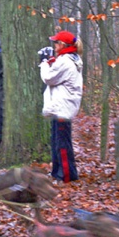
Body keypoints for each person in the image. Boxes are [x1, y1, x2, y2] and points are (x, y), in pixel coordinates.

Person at [39, 30, 83, 183]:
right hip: (61, 107)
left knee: (62, 144)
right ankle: (58, 173)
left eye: (56, 42)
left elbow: (49, 78)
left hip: (63, 108)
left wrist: (44, 63)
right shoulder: (68, 59)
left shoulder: (66, 61)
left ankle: (65, 176)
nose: (54, 45)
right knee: (58, 142)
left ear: (62, 45)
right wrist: (51, 61)